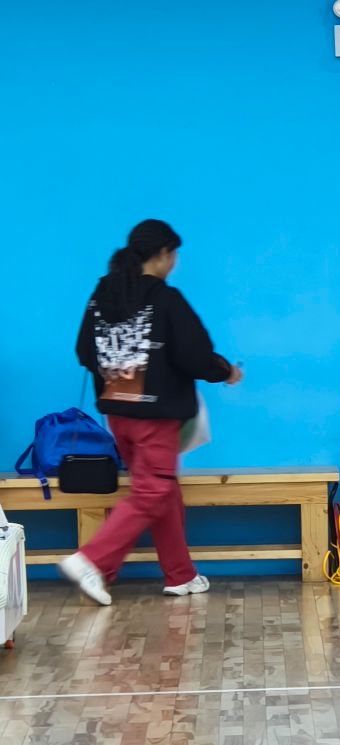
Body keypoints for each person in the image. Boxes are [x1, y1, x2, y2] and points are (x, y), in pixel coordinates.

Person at [59, 220, 242, 607]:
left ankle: (180, 574)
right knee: (153, 491)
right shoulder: (165, 298)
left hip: (118, 414)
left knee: (162, 489)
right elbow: (195, 354)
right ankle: (91, 560)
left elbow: (84, 351)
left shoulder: (103, 295)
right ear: (162, 254)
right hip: (155, 417)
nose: (175, 262)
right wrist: (226, 372)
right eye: (173, 254)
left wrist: (117, 376)